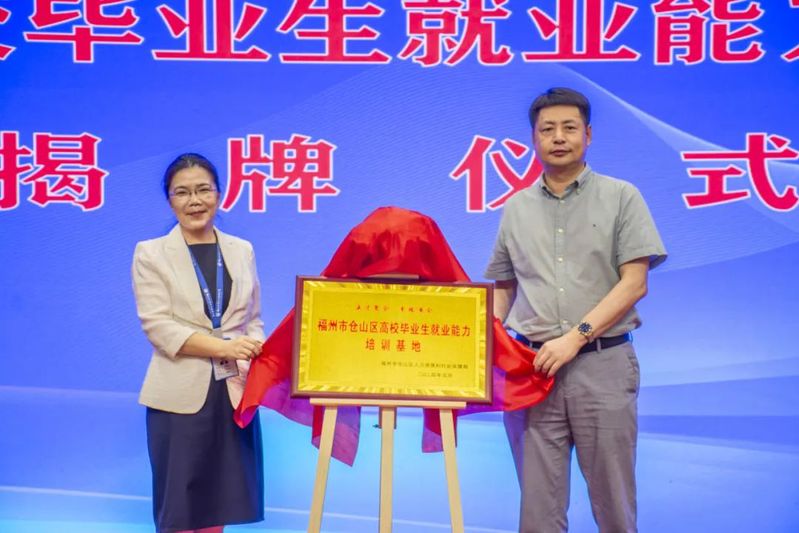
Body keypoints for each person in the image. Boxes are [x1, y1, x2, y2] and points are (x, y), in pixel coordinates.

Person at [484, 87, 667, 533]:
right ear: (534, 139)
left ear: (588, 134)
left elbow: (635, 282)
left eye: (569, 127)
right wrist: (478, 339)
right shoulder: (516, 207)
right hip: (532, 370)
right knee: (538, 512)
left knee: (614, 504)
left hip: (603, 364)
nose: (558, 137)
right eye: (547, 129)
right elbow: (504, 289)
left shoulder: (622, 196)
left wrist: (575, 337)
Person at [132, 153, 265, 533]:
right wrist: (225, 348)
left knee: (220, 501)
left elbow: (253, 319)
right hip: (178, 396)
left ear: (219, 194)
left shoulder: (242, 250)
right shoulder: (151, 253)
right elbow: (158, 326)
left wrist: (254, 347)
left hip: (234, 392)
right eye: (183, 192)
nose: (195, 201)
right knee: (180, 505)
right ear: (170, 200)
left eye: (204, 190)